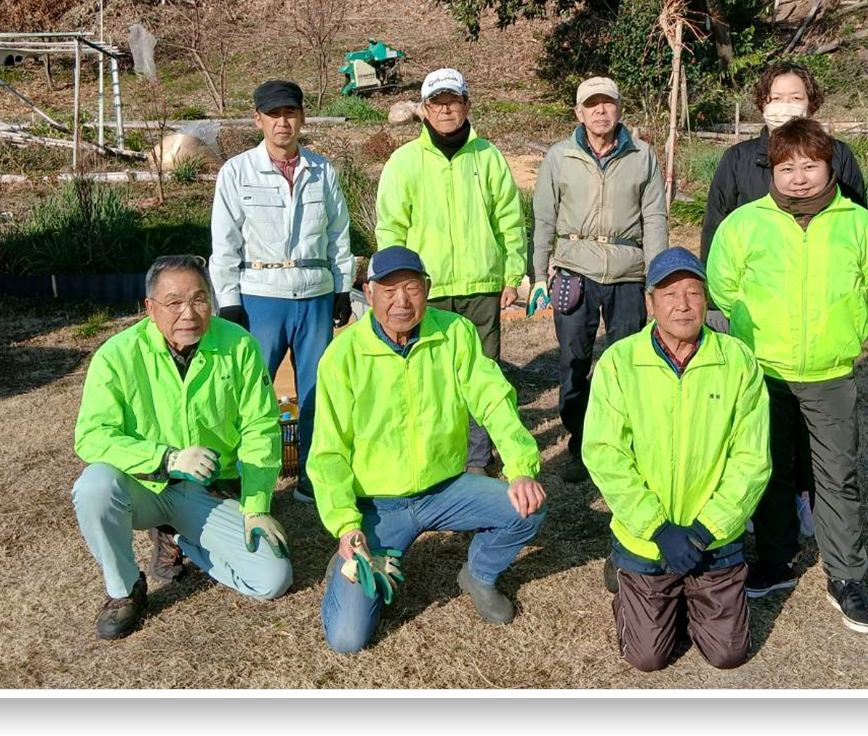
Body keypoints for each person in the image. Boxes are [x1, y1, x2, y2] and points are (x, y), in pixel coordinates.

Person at [706, 119, 868, 634]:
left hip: (830, 375)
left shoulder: (860, 227)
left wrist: (848, 326)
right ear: (772, 170)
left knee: (837, 475)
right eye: (787, 167)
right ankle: (776, 560)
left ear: (829, 166)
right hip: (764, 371)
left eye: (810, 166)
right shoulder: (745, 224)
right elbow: (723, 287)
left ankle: (847, 576)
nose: (798, 177)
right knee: (768, 470)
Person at [307, 246, 548, 653]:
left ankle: (478, 575)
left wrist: (521, 466)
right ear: (369, 293)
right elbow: (328, 453)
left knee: (529, 507)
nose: (402, 301)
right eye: (389, 291)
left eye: (412, 288)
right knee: (348, 638)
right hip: (377, 506)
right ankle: (348, 557)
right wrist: (347, 524)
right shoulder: (342, 356)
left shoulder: (454, 333)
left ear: (428, 289)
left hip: (445, 488)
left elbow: (493, 400)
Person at [72, 255, 293, 640]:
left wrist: (257, 505)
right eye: (173, 302)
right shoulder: (117, 355)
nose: (188, 313)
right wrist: (166, 458)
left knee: (273, 578)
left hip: (209, 487)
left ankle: (180, 537)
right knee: (94, 486)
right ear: (150, 308)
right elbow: (91, 435)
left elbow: (260, 427)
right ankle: (125, 589)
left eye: (199, 299)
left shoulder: (238, 345)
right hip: (146, 485)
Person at [583, 247, 771, 671]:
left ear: (706, 300)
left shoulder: (737, 362)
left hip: (713, 539)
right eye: (669, 294)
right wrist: (658, 528)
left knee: (728, 654)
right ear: (650, 303)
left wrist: (706, 530)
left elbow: (752, 458)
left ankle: (693, 593)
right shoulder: (619, 363)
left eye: (693, 292)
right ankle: (628, 575)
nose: (682, 304)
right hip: (648, 540)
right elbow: (605, 453)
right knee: (647, 656)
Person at [375, 68, 527, 476]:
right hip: (428, 290)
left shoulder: (488, 157)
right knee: (430, 377)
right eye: (437, 102)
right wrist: (395, 286)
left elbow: (509, 220)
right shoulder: (404, 162)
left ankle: (477, 459)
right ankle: (436, 457)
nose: (445, 110)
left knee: (484, 375)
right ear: (424, 110)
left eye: (453, 101)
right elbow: (391, 229)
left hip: (481, 286)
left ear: (467, 105)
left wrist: (512, 275)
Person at [210, 79, 353, 503]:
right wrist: (229, 300)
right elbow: (224, 243)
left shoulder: (322, 171)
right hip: (261, 296)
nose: (282, 123)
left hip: (315, 295)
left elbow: (338, 235)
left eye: (290, 113)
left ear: (302, 117)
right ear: (258, 119)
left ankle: (312, 477)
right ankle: (241, 476)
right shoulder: (237, 172)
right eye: (273, 115)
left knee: (316, 392)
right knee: (251, 391)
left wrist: (343, 287)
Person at [530, 76, 668, 483]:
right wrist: (539, 274)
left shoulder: (643, 156)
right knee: (574, 361)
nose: (601, 111)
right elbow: (544, 218)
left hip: (627, 272)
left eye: (608, 103)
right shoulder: (560, 157)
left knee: (625, 360)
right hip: (575, 269)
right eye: (592, 104)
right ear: (579, 113)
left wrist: (656, 280)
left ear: (619, 108)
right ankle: (580, 442)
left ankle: (622, 443)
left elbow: (655, 219)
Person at [700, 60, 868, 330]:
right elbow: (715, 227)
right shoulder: (738, 159)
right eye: (776, 98)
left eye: (796, 98)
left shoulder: (839, 155)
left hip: (821, 302)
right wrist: (713, 300)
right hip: (754, 301)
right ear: (762, 104)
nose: (785, 106)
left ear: (811, 104)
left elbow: (860, 227)